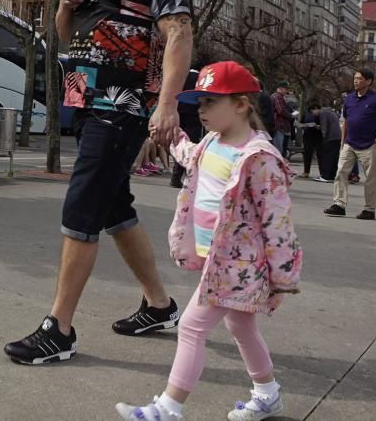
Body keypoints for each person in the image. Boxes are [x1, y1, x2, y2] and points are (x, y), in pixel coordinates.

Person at [4, 0, 192, 365]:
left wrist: (167, 104)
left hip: (122, 105)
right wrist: (64, 6)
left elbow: (178, 34)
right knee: (112, 206)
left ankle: (59, 329)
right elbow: (64, 36)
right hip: (86, 102)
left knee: (83, 204)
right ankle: (159, 304)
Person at [115, 61, 301, 421]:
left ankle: (168, 409)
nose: (202, 110)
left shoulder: (260, 158)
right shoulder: (213, 142)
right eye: (200, 103)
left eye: (210, 102)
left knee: (191, 326)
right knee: (240, 325)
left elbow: (277, 221)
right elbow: (190, 156)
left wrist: (283, 275)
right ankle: (267, 394)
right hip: (219, 259)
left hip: (239, 265)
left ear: (242, 104)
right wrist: (175, 139)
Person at [324, 69, 376, 220]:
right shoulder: (349, 99)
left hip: (368, 144)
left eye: (359, 79)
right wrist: (342, 141)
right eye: (355, 78)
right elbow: (345, 120)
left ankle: (369, 209)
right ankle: (339, 204)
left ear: (368, 81)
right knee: (341, 172)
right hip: (349, 143)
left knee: (370, 178)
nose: (356, 81)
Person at [171, 67, 206, 188]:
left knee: (179, 141)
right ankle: (187, 175)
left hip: (179, 112)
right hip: (193, 115)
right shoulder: (201, 79)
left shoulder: (180, 75)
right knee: (191, 144)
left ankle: (175, 176)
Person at [310, 102, 342, 183]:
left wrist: (323, 138)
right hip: (337, 136)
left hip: (330, 137)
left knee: (327, 157)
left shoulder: (323, 113)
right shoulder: (329, 111)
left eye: (312, 112)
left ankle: (325, 176)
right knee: (334, 157)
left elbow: (325, 127)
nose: (313, 114)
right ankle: (332, 175)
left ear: (315, 108)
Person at [298, 101, 323, 179]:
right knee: (307, 154)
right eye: (313, 109)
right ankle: (306, 171)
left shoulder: (321, 114)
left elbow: (325, 124)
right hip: (308, 135)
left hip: (318, 136)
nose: (315, 110)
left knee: (320, 155)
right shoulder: (306, 113)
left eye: (316, 108)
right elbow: (300, 124)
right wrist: (307, 125)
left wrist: (318, 126)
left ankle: (322, 172)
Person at [271, 81, 292, 158]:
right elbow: (281, 110)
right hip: (279, 126)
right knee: (278, 149)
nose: (287, 91)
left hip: (281, 126)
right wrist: (291, 115)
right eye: (286, 89)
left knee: (281, 148)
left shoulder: (280, 97)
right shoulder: (277, 97)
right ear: (281, 88)